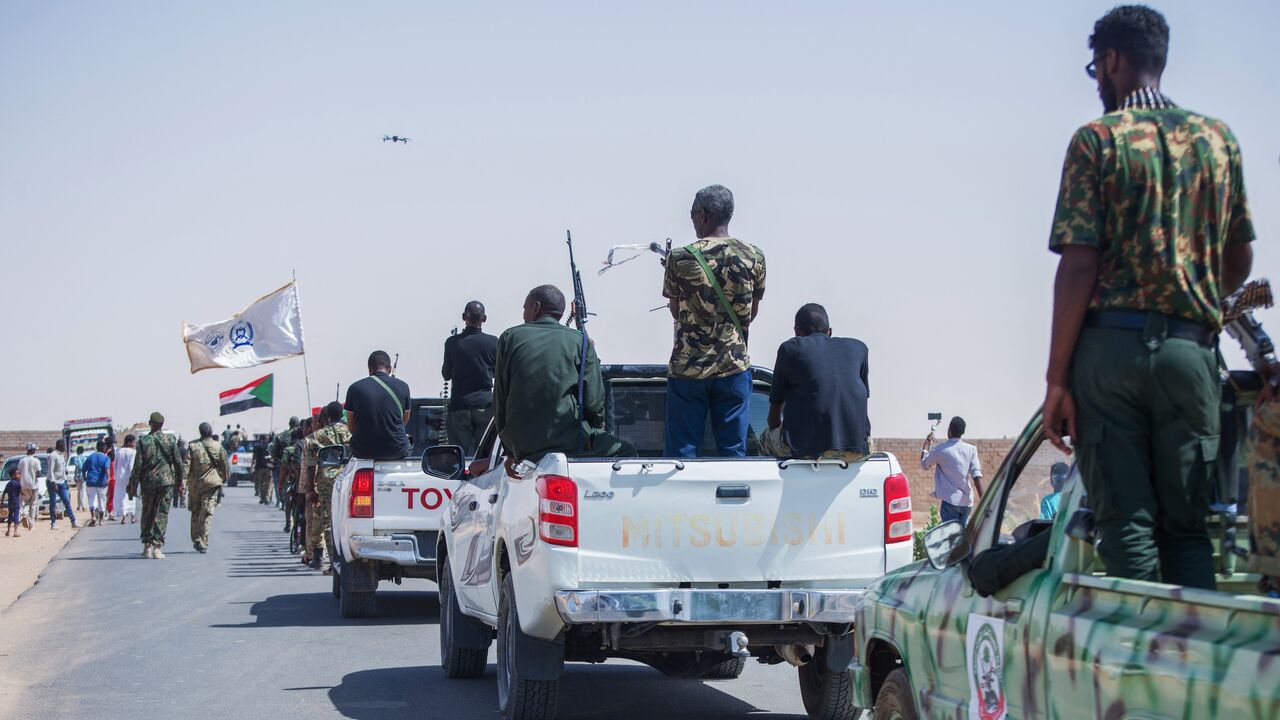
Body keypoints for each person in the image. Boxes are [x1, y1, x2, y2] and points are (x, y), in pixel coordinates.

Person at [1042, 6, 1255, 590]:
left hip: (1111, 354)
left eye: (1095, 68)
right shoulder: (1217, 140)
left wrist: (1056, 380)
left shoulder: (1097, 140)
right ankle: (1191, 664)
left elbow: (1078, 265)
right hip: (1191, 352)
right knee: (1188, 527)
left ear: (1111, 61)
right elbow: (1239, 259)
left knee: (1128, 524)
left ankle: (1139, 660)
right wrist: (1195, 294)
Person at [662, 184, 767, 458]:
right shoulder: (754, 255)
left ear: (703, 215)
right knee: (733, 452)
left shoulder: (680, 257)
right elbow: (751, 314)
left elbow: (675, 310)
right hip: (734, 367)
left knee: (681, 455)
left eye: (693, 213)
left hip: (688, 368)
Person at [494, 285, 632, 475]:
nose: (523, 315)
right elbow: (594, 401)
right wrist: (594, 430)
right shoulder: (581, 341)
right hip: (569, 441)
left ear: (536, 307)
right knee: (627, 453)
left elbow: (500, 397)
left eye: (525, 308)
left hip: (522, 446)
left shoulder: (510, 337)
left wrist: (510, 450)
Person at [762, 303, 871, 462]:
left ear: (796, 331)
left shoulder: (790, 349)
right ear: (830, 332)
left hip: (804, 449)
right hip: (857, 450)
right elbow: (861, 407)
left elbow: (773, 419)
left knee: (765, 438)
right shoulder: (860, 348)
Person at [126, 412, 187, 559]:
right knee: (161, 514)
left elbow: (138, 466)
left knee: (147, 513)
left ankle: (147, 547)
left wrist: (132, 485)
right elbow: (178, 464)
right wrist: (180, 483)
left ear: (150, 423)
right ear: (162, 424)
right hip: (166, 483)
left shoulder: (143, 441)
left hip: (148, 483)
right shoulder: (170, 440)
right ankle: (157, 548)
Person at [442, 301, 499, 457]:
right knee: (486, 454)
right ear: (484, 318)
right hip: (485, 404)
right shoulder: (493, 342)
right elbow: (498, 373)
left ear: (463, 317)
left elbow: (446, 374)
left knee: (457, 454)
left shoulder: (452, 343)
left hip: (460, 404)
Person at [301, 401, 352, 571]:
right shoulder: (353, 433)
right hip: (351, 479)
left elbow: (310, 465)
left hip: (327, 482)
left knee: (329, 521)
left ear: (327, 416)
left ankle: (334, 564)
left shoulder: (315, 437)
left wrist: (310, 489)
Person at [344, 350, 411, 460]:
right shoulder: (403, 387)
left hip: (363, 451)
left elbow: (351, 427)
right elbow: (404, 420)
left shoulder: (354, 388)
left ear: (369, 369)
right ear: (389, 369)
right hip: (396, 450)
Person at [921, 417, 984, 525]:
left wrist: (927, 444)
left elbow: (924, 465)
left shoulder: (940, 450)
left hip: (950, 503)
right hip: (967, 503)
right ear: (962, 432)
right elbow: (976, 475)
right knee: (964, 537)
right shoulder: (971, 449)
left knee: (951, 538)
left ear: (949, 430)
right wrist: (985, 499)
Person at [187, 422, 228, 554]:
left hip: (195, 485)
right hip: (211, 484)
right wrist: (223, 479)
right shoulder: (218, 446)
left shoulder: (192, 446)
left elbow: (186, 466)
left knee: (196, 511)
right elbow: (224, 466)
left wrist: (183, 482)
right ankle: (203, 540)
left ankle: (196, 539)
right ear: (210, 432)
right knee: (207, 513)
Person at [46, 440, 77, 529]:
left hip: (62, 482)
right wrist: (53, 482)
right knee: (53, 502)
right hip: (53, 482)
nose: (65, 447)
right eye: (64, 445)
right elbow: (50, 470)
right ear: (60, 446)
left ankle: (73, 521)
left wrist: (66, 480)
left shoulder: (61, 455)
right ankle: (53, 523)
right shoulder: (53, 455)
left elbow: (62, 470)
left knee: (66, 501)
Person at [81, 441, 112, 526]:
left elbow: (83, 469)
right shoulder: (106, 458)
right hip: (101, 482)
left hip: (90, 481)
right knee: (101, 500)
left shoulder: (90, 457)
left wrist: (85, 477)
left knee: (91, 499)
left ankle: (93, 516)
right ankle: (101, 520)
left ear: (97, 447)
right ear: (104, 448)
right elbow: (107, 468)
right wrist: (109, 477)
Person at [272, 417, 299, 510]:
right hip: (299, 466)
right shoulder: (303, 434)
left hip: (283, 464)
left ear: (289, 424)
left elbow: (274, 453)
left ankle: (283, 503)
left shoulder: (280, 436)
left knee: (281, 485)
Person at [112, 435, 138, 524]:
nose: (134, 444)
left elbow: (115, 465)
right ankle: (133, 516)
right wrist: (133, 477)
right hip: (128, 477)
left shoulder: (119, 452)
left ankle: (123, 516)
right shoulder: (133, 452)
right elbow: (132, 466)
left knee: (121, 496)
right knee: (131, 496)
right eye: (134, 442)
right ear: (129, 442)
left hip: (119, 477)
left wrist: (116, 476)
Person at [17, 443, 42, 530]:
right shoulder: (36, 461)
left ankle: (23, 514)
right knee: (33, 504)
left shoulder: (21, 460)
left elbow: (18, 472)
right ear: (33, 450)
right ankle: (31, 524)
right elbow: (39, 473)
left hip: (23, 485)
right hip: (33, 485)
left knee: (23, 503)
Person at [4, 467, 22, 537]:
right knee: (16, 516)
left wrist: (2, 504)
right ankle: (15, 532)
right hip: (16, 502)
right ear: (13, 475)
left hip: (10, 503)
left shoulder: (8, 484)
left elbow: (4, 494)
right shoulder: (18, 484)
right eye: (17, 474)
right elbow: (22, 492)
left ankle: (8, 531)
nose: (19, 475)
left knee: (10, 516)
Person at [70, 446, 87, 511]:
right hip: (84, 475)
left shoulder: (76, 458)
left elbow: (77, 468)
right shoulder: (85, 458)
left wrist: (75, 476)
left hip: (78, 476)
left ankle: (79, 506)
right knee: (83, 491)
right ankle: (84, 506)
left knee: (79, 491)